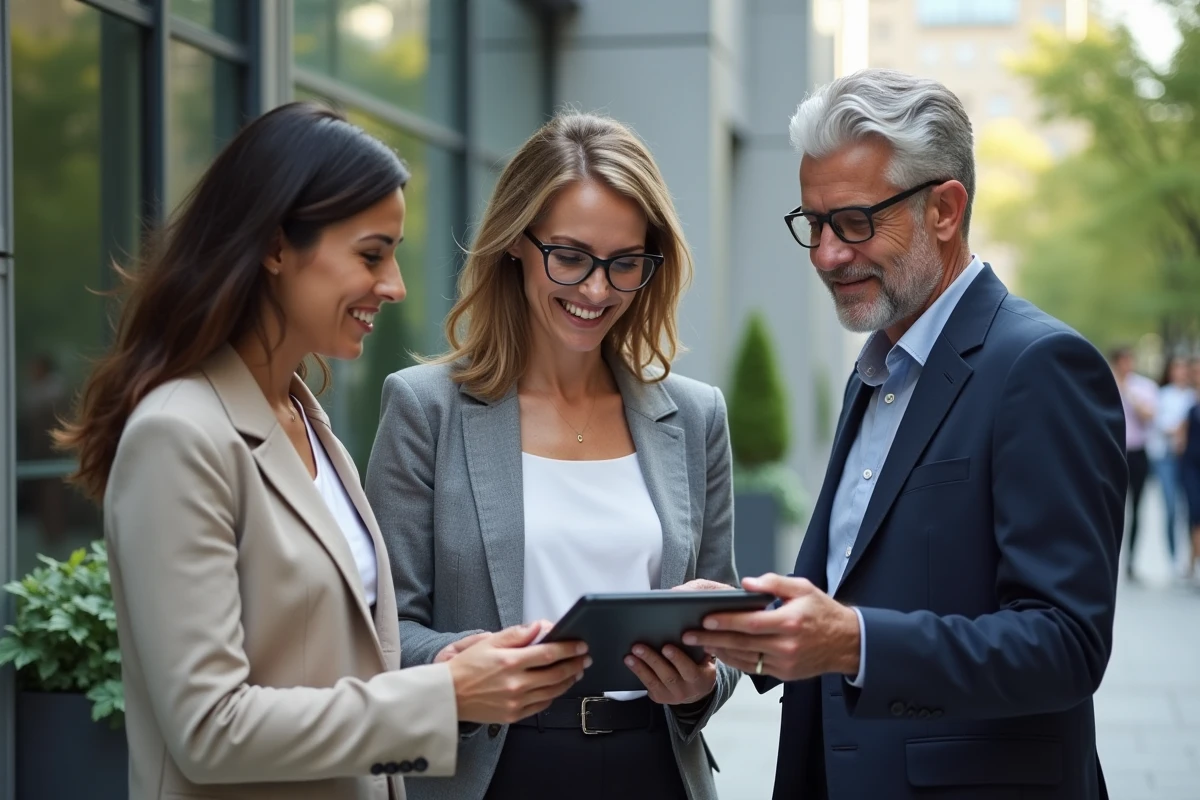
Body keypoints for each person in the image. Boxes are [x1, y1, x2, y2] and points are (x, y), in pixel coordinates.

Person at [53, 102, 589, 800]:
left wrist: (449, 670)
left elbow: (322, 665)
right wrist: (443, 696)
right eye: (371, 254)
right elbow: (212, 728)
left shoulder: (306, 418)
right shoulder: (178, 435)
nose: (394, 285)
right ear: (276, 247)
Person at [683, 69, 1126, 799]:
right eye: (813, 224)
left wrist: (853, 642)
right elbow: (861, 583)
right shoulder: (880, 365)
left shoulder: (1040, 367)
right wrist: (746, 629)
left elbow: (1065, 644)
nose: (827, 254)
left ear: (945, 209)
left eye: (855, 222)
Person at [364, 111, 737, 800]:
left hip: (654, 769)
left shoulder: (693, 416)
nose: (597, 290)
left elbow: (721, 619)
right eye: (570, 256)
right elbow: (383, 632)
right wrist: (462, 660)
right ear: (515, 244)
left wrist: (702, 685)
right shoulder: (426, 409)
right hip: (493, 771)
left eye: (625, 263)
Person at [1110, 344, 1158, 578]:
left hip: (1137, 453)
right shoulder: (1103, 382)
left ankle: (1130, 560)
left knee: (1137, 509)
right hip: (1112, 452)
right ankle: (1111, 557)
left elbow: (1149, 416)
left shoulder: (1143, 386)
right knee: (1110, 508)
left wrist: (1128, 392)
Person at [1149, 354, 1195, 573]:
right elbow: (1159, 423)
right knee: (1170, 507)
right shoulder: (1162, 395)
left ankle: (1190, 557)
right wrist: (1177, 429)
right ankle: (1173, 556)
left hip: (1187, 459)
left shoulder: (1192, 396)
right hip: (1166, 457)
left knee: (1190, 509)